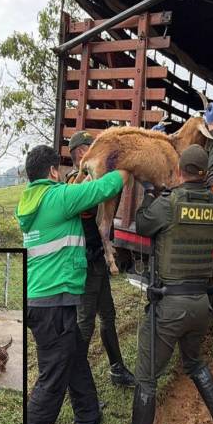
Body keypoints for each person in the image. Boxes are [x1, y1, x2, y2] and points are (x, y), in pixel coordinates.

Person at [104, 107, 213, 424]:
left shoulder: (169, 203)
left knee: (146, 379)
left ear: (178, 171)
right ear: (205, 174)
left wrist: (151, 192)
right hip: (200, 306)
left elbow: (142, 224)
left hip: (170, 308)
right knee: (194, 363)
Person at [10, 145, 130, 424]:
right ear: (51, 172)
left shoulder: (31, 202)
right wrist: (128, 165)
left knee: (74, 355)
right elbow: (107, 186)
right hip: (54, 302)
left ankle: (88, 416)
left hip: (41, 299)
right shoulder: (58, 198)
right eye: (59, 169)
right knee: (52, 378)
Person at [65, 131, 135, 388]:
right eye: (94, 148)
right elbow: (95, 195)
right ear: (83, 154)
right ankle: (76, 383)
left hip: (97, 262)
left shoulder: (93, 177)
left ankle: (117, 370)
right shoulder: (76, 182)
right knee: (84, 326)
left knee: (108, 315)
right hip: (84, 264)